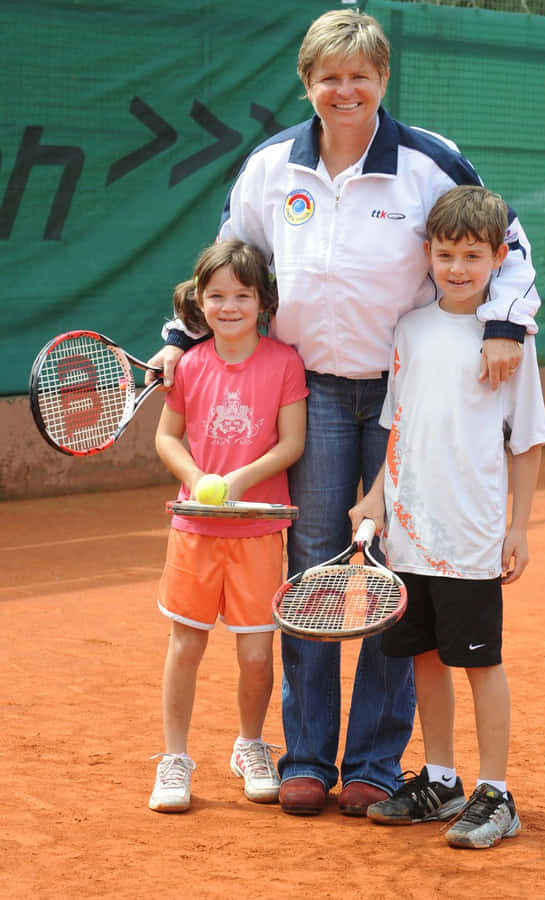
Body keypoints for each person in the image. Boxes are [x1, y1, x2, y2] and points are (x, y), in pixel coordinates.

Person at [147, 9, 540, 817]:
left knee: (395, 573)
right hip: (314, 393)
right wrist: (178, 340)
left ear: (383, 79)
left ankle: (373, 762)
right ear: (306, 84)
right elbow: (232, 264)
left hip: (407, 396)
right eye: (329, 77)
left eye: (360, 75)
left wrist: (504, 324)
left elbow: (509, 246)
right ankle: (307, 756)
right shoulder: (267, 169)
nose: (345, 90)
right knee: (313, 570)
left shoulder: (428, 161)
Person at [349, 185, 545, 848]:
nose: (457, 267)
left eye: (471, 255)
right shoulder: (408, 329)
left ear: (498, 258)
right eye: (444, 254)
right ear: (427, 256)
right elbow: (396, 424)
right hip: (407, 537)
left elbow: (526, 443)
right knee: (424, 662)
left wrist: (517, 527)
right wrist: (377, 497)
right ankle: (440, 780)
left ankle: (496, 792)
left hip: (469, 538)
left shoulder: (508, 343)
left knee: (478, 663)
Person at [149, 239, 308, 813]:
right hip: (195, 531)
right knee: (185, 645)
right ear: (198, 303)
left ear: (263, 301)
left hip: (258, 532)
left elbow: (292, 443)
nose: (229, 306)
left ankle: (250, 745)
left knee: (255, 658)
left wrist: (237, 482)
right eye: (216, 296)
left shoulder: (284, 362)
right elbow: (167, 436)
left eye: (242, 295)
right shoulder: (187, 364)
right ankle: (174, 758)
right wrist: (196, 478)